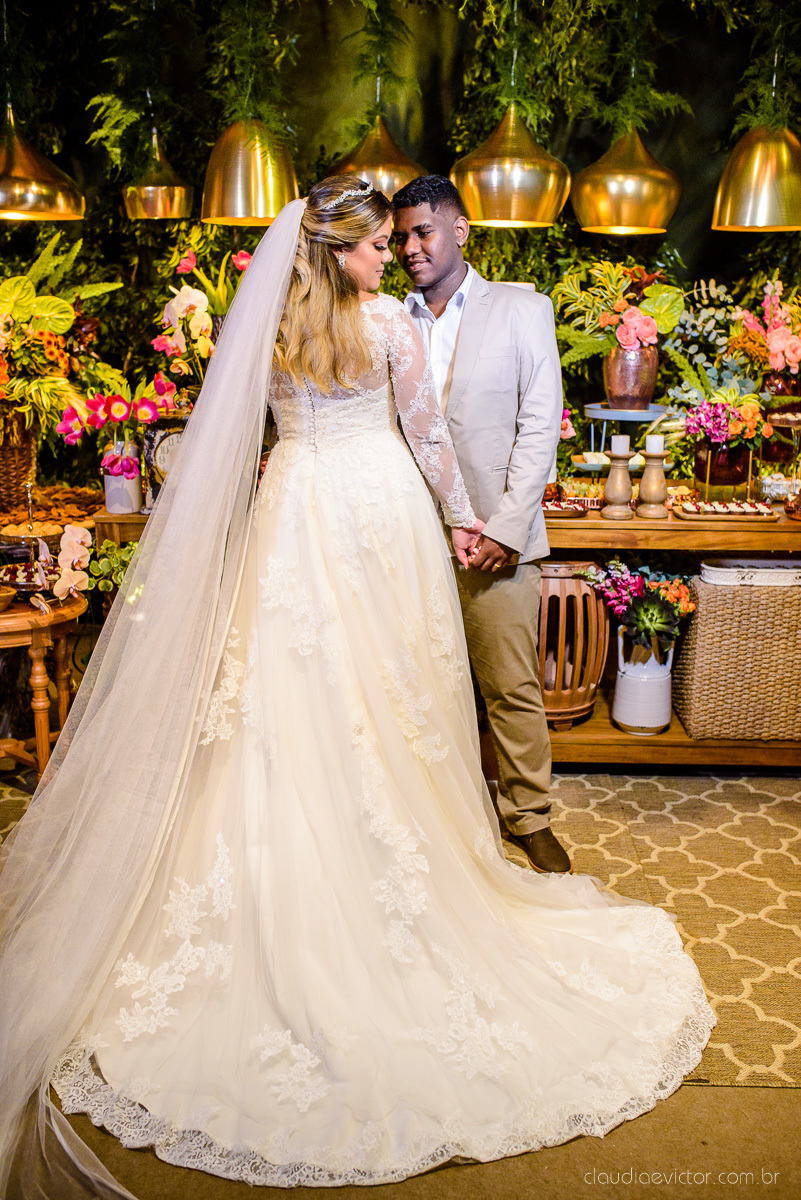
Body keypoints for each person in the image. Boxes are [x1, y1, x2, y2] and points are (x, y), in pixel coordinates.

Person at [0, 177, 713, 1198]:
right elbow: (425, 440)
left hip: (295, 515)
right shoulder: (387, 327)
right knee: (389, 708)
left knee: (289, 712)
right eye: (378, 245)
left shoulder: (269, 326)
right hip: (379, 523)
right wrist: (467, 517)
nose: (393, 259)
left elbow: (235, 446)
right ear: (342, 253)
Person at [392, 174, 569, 874]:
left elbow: (538, 426)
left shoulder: (522, 311)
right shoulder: (381, 316)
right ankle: (431, 815)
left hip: (498, 539)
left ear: (460, 229)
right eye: (400, 236)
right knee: (411, 682)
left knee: (510, 685)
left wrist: (504, 528)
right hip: (407, 535)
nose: (410, 247)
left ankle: (528, 816)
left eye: (423, 231)